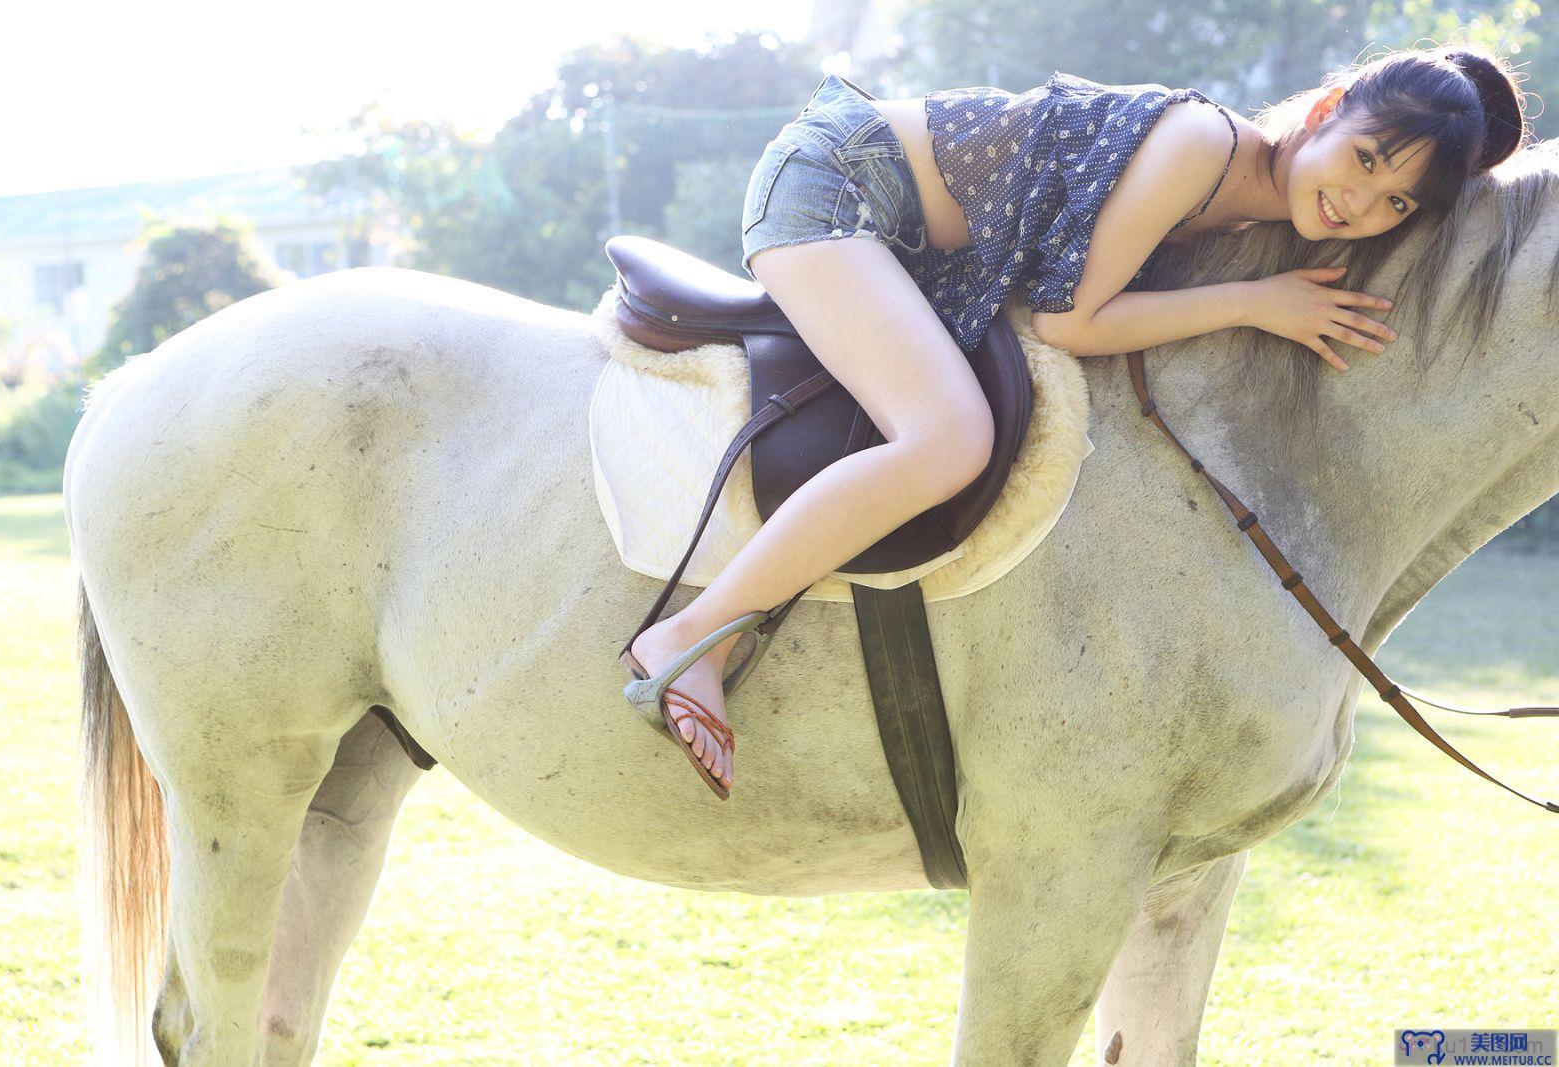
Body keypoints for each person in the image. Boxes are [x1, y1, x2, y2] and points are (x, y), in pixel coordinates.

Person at [620, 44, 1529, 799]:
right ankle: (693, 635)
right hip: (837, 186)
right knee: (947, 437)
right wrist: (1257, 302)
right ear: (1329, 107)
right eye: (1366, 160)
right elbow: (1071, 322)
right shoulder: (1202, 146)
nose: (1359, 207)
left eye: (1396, 205)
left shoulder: (1258, 198)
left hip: (896, 229)